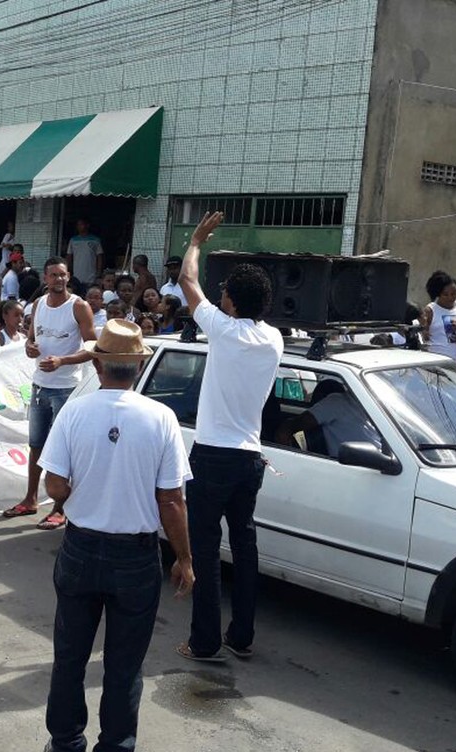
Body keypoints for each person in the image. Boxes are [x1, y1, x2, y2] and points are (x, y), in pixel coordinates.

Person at [39, 319, 193, 752]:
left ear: (99, 364)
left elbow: (53, 484)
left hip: (81, 548)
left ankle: (66, 742)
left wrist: (79, 497)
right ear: (138, 367)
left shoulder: (75, 410)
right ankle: (116, 745)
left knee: (70, 656)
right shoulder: (161, 417)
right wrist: (185, 558)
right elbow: (172, 500)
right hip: (135, 558)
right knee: (125, 666)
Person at [177, 211, 283, 663]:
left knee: (203, 549)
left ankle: (205, 641)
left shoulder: (222, 329)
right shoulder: (274, 338)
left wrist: (197, 240)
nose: (218, 297)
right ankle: (242, 635)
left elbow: (186, 279)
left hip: (214, 456)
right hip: (250, 459)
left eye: (224, 294)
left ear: (233, 304)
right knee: (244, 546)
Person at [3, 257, 96, 529]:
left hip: (67, 388)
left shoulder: (79, 306)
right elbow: (31, 338)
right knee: (36, 445)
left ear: (69, 277)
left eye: (63, 275)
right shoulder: (38, 304)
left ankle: (60, 508)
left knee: (63, 450)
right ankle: (30, 499)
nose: (59, 279)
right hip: (40, 385)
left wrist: (62, 361)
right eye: (54, 275)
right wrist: (30, 347)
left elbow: (92, 347)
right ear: (45, 278)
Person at [420, 270, 456, 363]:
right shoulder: (430, 310)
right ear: (438, 294)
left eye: (454, 293)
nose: (450, 297)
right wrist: (424, 332)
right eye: (445, 295)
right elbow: (422, 336)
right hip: (435, 363)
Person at [65, 219, 103, 286]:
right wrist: (68, 271)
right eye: (78, 225)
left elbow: (99, 257)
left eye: (81, 224)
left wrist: (99, 273)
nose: (79, 226)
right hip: (77, 274)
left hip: (91, 275)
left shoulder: (95, 240)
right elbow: (69, 256)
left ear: (87, 225)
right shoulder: (73, 240)